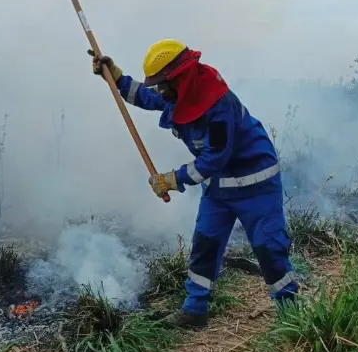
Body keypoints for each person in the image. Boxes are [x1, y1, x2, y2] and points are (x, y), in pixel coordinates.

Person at [88, 39, 299, 328]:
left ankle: (294, 317)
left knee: (268, 248)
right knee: (205, 245)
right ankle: (195, 309)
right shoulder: (183, 92)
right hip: (219, 189)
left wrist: (171, 180)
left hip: (256, 186)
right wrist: (117, 77)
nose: (160, 89)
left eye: (163, 83)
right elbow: (149, 98)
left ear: (179, 79)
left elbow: (214, 159)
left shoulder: (219, 105)